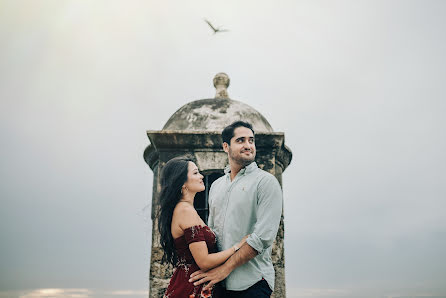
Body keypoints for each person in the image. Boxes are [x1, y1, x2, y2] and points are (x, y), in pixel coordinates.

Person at [189, 121, 283, 297]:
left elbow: (262, 238)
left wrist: (224, 269)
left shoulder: (266, 182)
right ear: (226, 146)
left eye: (251, 140)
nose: (248, 145)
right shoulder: (216, 186)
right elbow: (213, 233)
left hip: (253, 282)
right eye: (241, 140)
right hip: (219, 284)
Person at [158, 156, 248, 298]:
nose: (201, 176)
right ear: (182, 183)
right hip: (191, 288)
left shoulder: (186, 209)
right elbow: (204, 262)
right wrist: (238, 247)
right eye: (195, 173)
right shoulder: (185, 211)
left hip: (195, 284)